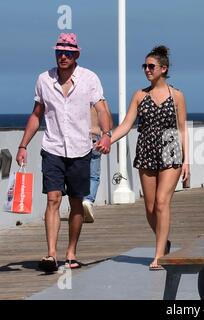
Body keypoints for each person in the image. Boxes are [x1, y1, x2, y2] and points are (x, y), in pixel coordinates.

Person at [15, 33, 112, 272]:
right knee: (53, 198)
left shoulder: (89, 79)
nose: (63, 56)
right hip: (53, 148)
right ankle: (51, 254)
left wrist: (107, 134)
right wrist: (23, 145)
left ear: (76, 54)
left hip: (80, 149)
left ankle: (71, 252)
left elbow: (101, 109)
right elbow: (37, 114)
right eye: (59, 52)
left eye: (68, 52)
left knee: (77, 203)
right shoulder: (44, 79)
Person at [101, 45, 190, 271]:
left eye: (151, 66)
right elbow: (126, 125)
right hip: (147, 149)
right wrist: (107, 139)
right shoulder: (140, 95)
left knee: (162, 202)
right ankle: (165, 242)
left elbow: (182, 129)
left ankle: (159, 255)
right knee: (150, 208)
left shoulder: (177, 95)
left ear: (163, 69)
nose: (147, 70)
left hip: (171, 149)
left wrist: (186, 160)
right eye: (145, 66)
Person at [82, 101, 113, 223]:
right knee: (93, 176)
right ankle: (88, 200)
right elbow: (109, 123)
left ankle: (78, 204)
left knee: (77, 173)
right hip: (95, 138)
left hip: (79, 140)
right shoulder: (100, 101)